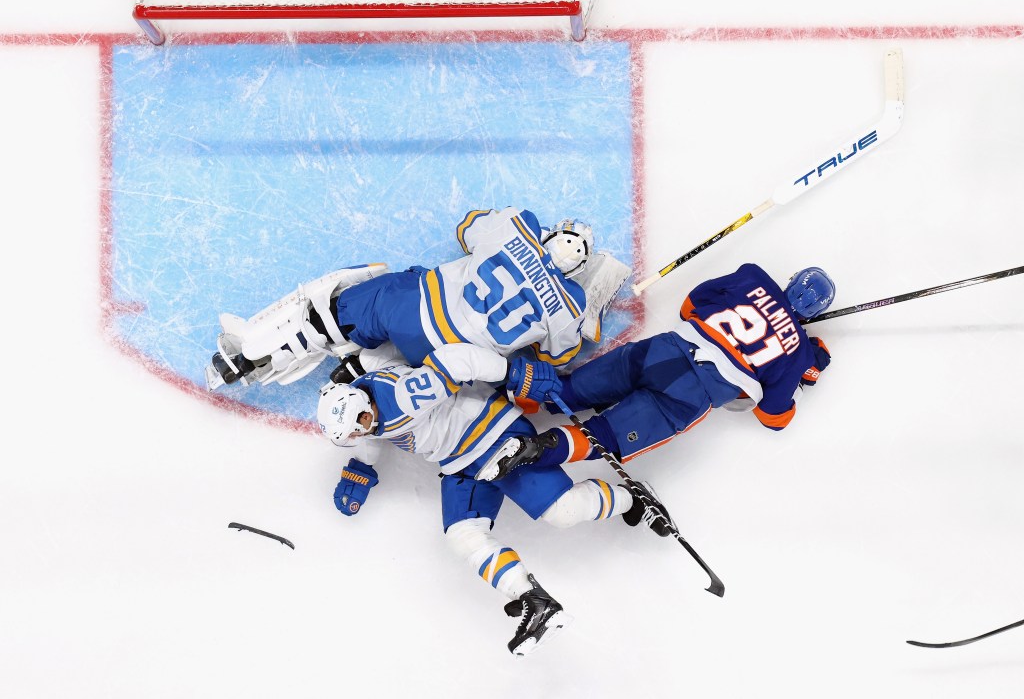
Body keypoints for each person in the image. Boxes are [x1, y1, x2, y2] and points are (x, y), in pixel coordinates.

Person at [317, 341, 672, 657]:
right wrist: (361, 468)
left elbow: (457, 362)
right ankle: (534, 601)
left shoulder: (400, 399)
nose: (363, 427)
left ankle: (635, 499)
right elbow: (387, 358)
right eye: (353, 431)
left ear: (362, 401)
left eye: (362, 420)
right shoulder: (366, 400)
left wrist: (513, 372)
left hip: (497, 435)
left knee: (563, 512)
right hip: (460, 461)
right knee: (461, 535)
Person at [480, 263, 836, 480]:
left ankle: (498, 398)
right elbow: (775, 418)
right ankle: (538, 448)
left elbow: (689, 306)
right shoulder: (797, 352)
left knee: (573, 389)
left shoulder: (752, 277)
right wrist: (808, 364)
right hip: (688, 396)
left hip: (661, 351)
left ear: (790, 281)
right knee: (607, 436)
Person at [206, 207, 616, 390]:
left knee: (354, 294)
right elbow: (558, 358)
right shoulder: (572, 305)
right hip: (448, 362)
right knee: (439, 355)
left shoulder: (519, 226)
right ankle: (362, 369)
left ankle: (263, 353)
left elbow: (467, 227)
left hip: (411, 308)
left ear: (549, 233)